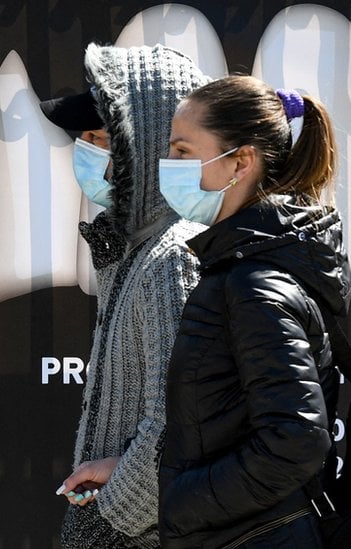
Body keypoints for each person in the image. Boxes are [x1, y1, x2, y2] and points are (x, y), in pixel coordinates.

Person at [156, 75, 351, 548]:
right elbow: (223, 421)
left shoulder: (254, 282)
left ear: (240, 161)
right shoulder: (241, 266)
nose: (169, 165)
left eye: (183, 151)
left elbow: (296, 441)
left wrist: (182, 504)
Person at [40, 43, 210, 548]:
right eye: (83, 138)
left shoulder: (171, 258)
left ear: (148, 144)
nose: (86, 150)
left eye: (100, 138)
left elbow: (176, 421)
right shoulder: (134, 248)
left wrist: (109, 520)